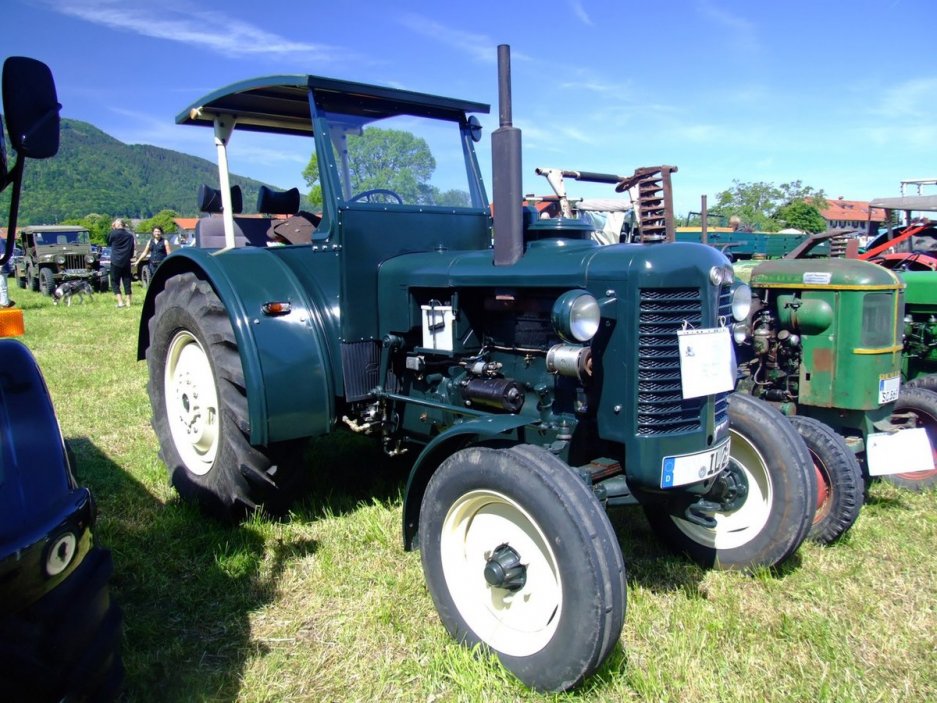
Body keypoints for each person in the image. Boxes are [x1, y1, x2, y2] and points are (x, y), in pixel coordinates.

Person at [107, 218, 135, 308]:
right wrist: (129, 257)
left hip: (115, 261)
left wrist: (112, 229)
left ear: (118, 225)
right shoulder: (130, 236)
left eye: (114, 224)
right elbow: (132, 249)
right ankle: (128, 302)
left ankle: (120, 302)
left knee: (115, 281)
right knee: (127, 281)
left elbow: (107, 241)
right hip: (126, 261)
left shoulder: (113, 233)